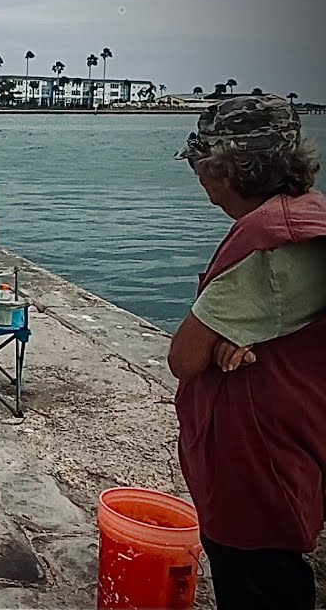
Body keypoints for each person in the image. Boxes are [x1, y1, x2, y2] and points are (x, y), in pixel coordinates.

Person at [168, 95, 325, 610]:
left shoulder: (265, 243)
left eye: (200, 165)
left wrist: (217, 338)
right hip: (295, 435)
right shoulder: (309, 214)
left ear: (227, 170)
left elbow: (184, 357)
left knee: (256, 575)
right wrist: (244, 331)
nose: (198, 178)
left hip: (259, 458)